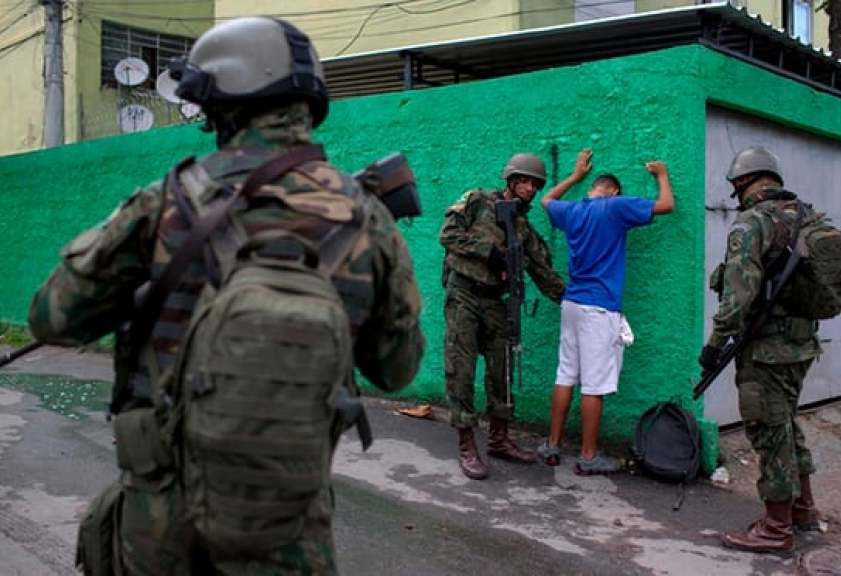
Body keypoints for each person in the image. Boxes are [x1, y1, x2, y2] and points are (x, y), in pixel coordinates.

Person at [28, 16, 425, 575]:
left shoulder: (165, 202)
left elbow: (52, 318)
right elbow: (397, 370)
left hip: (158, 524)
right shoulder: (369, 221)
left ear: (223, 101)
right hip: (289, 531)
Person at [699, 146, 823, 556]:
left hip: (767, 349)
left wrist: (715, 346)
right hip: (801, 344)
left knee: (769, 432)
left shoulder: (751, 223)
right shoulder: (804, 216)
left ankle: (776, 528)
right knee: (786, 422)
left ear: (742, 183)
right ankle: (802, 509)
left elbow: (738, 295)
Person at [536, 149, 674, 475]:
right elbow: (667, 205)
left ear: (592, 187)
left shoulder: (573, 210)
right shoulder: (615, 206)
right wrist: (662, 175)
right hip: (599, 308)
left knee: (565, 375)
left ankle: (552, 446)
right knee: (594, 385)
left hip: (571, 303)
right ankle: (587, 456)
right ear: (613, 190)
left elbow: (545, 201)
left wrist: (574, 176)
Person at [439, 152, 566, 480]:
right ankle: (467, 443)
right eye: (523, 181)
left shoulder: (523, 229)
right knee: (461, 368)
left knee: (502, 370)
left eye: (535, 184)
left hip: (496, 301)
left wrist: (574, 300)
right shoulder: (478, 201)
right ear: (510, 180)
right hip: (464, 293)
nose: (529, 188)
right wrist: (489, 254)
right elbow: (448, 236)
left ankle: (498, 438)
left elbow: (543, 271)